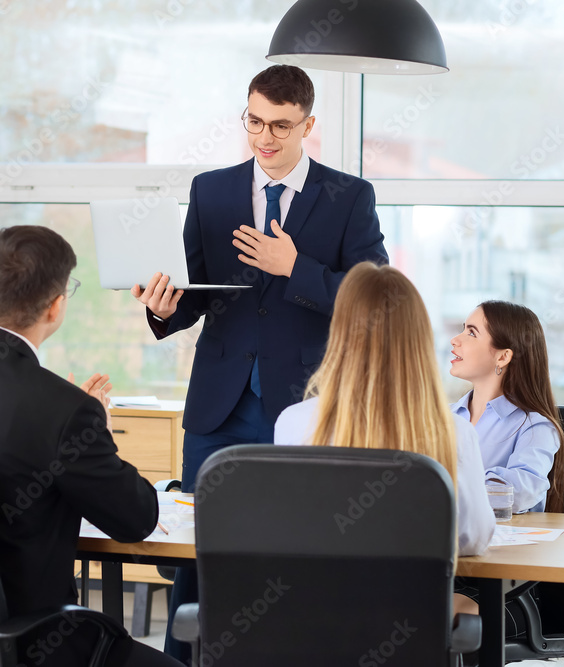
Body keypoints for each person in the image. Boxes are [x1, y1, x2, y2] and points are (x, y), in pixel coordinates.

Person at [133, 64, 388, 661]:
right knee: (200, 552)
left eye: (279, 125)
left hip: (305, 408)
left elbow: (371, 296)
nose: (264, 137)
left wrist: (292, 268)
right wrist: (162, 308)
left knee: (301, 549)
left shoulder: (348, 197)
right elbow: (193, 294)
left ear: (308, 124)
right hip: (218, 406)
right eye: (254, 121)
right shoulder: (212, 190)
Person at [0, 226, 182, 667]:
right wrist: (93, 428)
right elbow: (138, 519)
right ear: (55, 306)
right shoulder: (64, 409)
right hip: (35, 641)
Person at [274, 262, 495, 558]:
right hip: (412, 603)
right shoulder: (452, 432)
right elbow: (474, 539)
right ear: (419, 342)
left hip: (316, 601)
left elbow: (290, 530)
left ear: (339, 335)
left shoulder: (293, 423)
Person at [449, 301, 564, 513]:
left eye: (472, 333)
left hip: (505, 543)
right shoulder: (442, 417)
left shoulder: (535, 426)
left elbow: (519, 493)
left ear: (503, 357)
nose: (455, 340)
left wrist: (443, 487)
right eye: (463, 329)